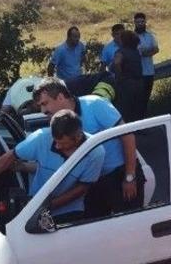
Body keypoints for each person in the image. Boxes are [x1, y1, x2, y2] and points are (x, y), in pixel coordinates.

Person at [31, 77, 143, 218]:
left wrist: (129, 177)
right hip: (91, 183)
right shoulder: (57, 122)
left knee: (131, 225)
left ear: (60, 97)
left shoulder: (95, 105)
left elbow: (127, 136)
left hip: (119, 176)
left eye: (45, 103)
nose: (43, 110)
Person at [0, 109, 104, 224]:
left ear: (78, 137)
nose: (58, 146)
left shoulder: (95, 152)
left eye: (63, 143)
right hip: (34, 206)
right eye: (55, 141)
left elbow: (82, 188)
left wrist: (46, 206)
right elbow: (10, 156)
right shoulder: (41, 138)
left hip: (69, 210)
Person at [113, 29, 145, 122]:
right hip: (139, 82)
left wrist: (119, 76)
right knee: (137, 107)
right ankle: (138, 128)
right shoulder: (135, 51)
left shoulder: (121, 52)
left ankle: (127, 130)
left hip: (127, 83)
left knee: (126, 108)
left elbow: (116, 63)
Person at [133, 12, 159, 113]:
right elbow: (139, 52)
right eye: (138, 22)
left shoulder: (150, 36)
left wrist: (146, 52)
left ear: (145, 22)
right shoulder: (132, 37)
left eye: (142, 22)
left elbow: (156, 49)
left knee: (146, 98)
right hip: (138, 73)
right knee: (138, 99)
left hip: (149, 72)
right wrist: (148, 51)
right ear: (134, 23)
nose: (140, 24)